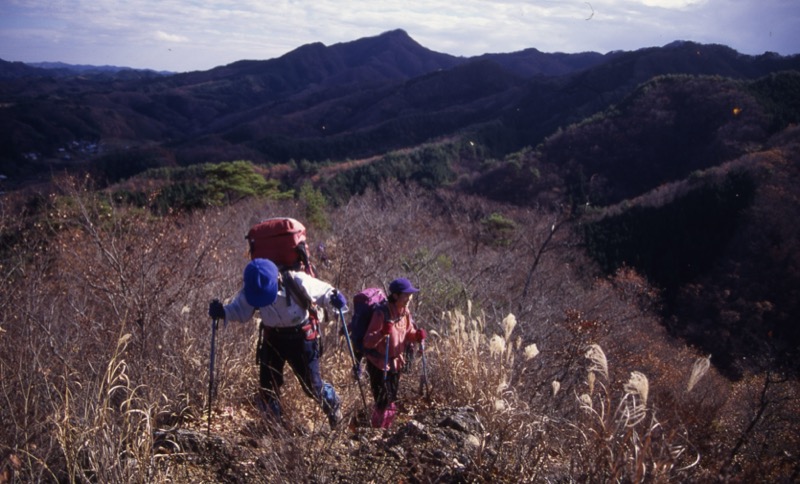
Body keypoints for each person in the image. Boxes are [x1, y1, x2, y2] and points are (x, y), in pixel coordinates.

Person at [208, 258, 348, 429]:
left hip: (301, 338)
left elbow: (325, 292)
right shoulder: (251, 288)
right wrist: (223, 312)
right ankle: (275, 429)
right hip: (273, 337)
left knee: (312, 386)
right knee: (267, 388)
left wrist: (335, 300)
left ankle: (333, 405)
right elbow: (240, 310)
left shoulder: (297, 280)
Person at [362, 277, 427, 428]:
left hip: (395, 363)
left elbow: (407, 332)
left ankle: (386, 428)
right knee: (382, 400)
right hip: (379, 363)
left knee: (391, 399)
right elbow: (367, 341)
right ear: (396, 295)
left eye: (410, 295)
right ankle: (377, 430)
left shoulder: (405, 313)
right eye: (406, 295)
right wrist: (382, 333)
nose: (410, 298)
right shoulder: (381, 313)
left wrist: (416, 335)